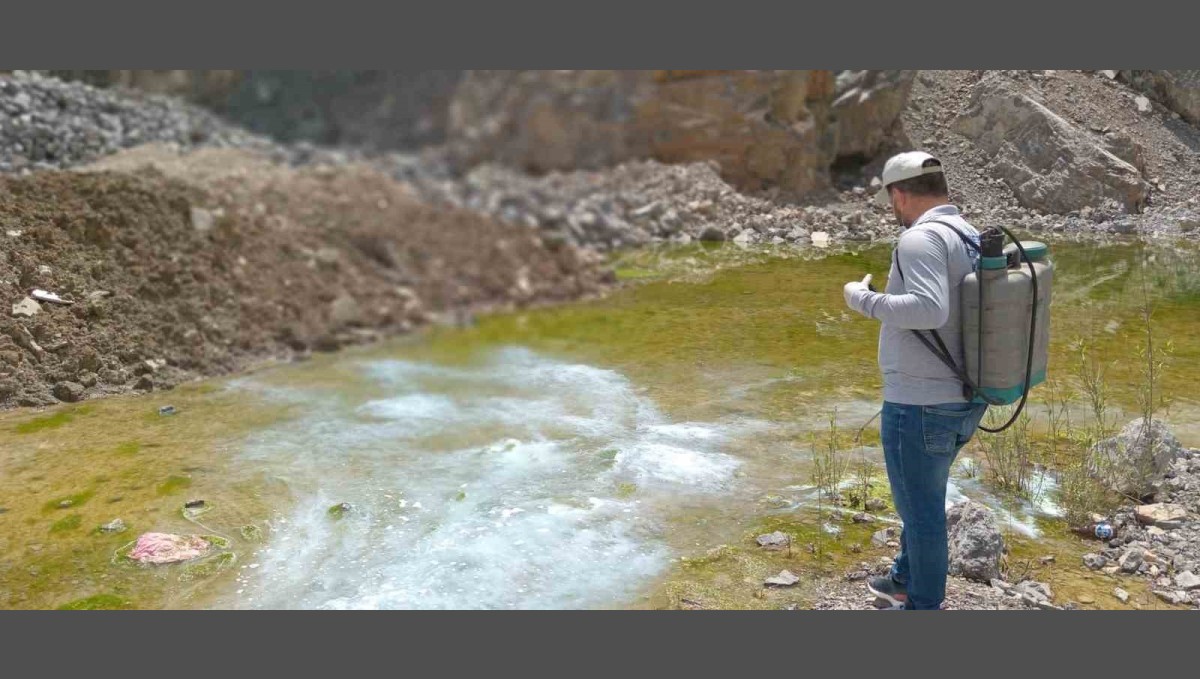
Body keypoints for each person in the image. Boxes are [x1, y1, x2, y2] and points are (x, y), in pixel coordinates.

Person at [841, 151, 989, 610]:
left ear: (899, 194)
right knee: (920, 495)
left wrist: (864, 299)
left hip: (921, 404)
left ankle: (922, 604)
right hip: (964, 397)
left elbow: (929, 309)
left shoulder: (920, 240)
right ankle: (903, 577)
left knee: (921, 512)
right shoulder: (968, 235)